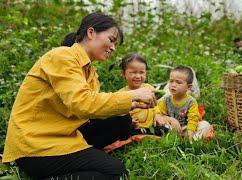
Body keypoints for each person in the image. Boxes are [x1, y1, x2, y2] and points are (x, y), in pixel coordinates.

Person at [1, 13, 157, 180]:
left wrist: (131, 103)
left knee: (122, 120)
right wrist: (132, 94)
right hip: (36, 145)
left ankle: (84, 158)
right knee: (114, 171)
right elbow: (83, 103)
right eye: (111, 40)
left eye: (116, 44)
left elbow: (93, 108)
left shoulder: (90, 71)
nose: (113, 48)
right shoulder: (63, 56)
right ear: (91, 33)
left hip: (63, 133)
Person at [117, 53, 171, 135]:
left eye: (141, 72)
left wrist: (157, 115)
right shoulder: (121, 94)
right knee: (127, 132)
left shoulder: (148, 88)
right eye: (133, 72)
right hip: (136, 126)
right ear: (123, 73)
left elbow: (155, 104)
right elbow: (120, 113)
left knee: (165, 129)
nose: (138, 76)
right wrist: (130, 121)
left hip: (152, 124)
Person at [157, 66, 214, 141]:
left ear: (189, 87)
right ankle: (174, 138)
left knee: (205, 125)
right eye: (171, 81)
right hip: (172, 127)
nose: (173, 85)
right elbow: (159, 114)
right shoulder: (166, 99)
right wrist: (170, 119)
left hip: (186, 128)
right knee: (160, 123)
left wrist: (190, 132)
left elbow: (192, 119)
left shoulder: (191, 102)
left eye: (178, 82)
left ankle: (191, 139)